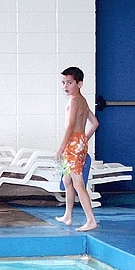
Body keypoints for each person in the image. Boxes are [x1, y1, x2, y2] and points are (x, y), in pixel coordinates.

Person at [54, 66, 99, 232]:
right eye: (63, 82)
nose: (65, 86)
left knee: (78, 182)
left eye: (70, 82)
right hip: (77, 141)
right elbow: (95, 123)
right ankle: (68, 215)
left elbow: (71, 125)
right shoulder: (83, 101)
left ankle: (91, 220)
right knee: (67, 180)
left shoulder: (74, 100)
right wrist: (83, 140)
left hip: (73, 142)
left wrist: (62, 147)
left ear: (79, 83)